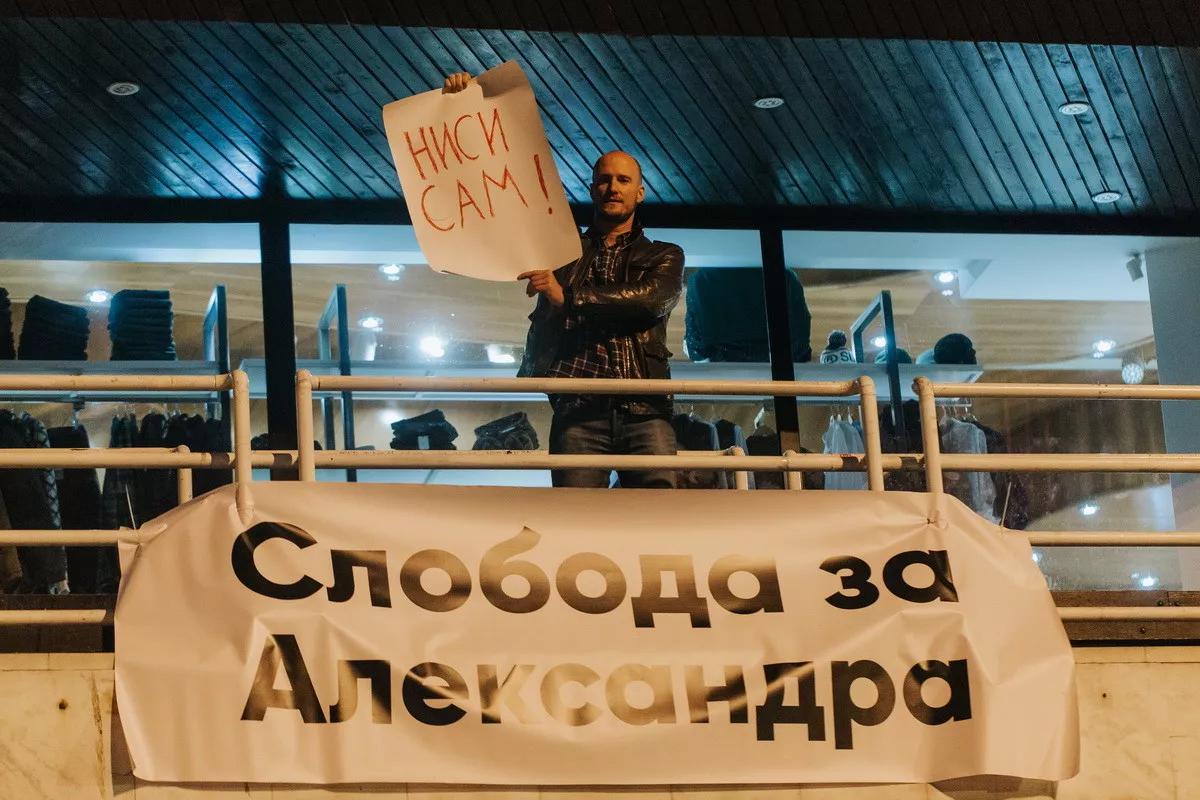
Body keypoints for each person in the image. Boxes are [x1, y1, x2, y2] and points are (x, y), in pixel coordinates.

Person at [440, 73, 686, 489]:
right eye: (604, 179)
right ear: (592, 188)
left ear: (640, 193)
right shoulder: (556, 247)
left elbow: (650, 300)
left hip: (643, 409)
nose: (612, 187)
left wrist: (567, 296)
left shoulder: (664, 253)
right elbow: (496, 201)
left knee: (657, 517)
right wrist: (460, 107)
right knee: (576, 520)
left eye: (623, 180)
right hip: (577, 409)